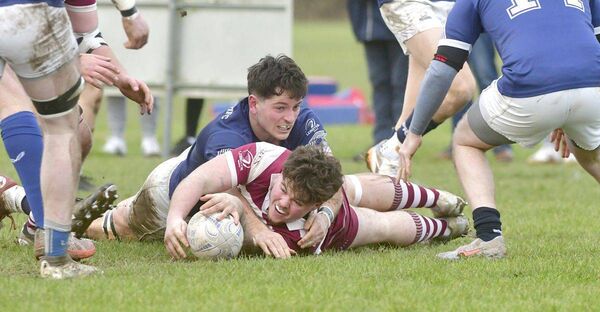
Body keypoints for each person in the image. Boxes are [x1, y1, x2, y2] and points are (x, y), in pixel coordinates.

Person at [76, 55, 351, 256]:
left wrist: (326, 213)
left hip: (209, 178)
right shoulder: (228, 136)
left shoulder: (303, 121)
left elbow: (331, 174)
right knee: (118, 229)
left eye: (295, 107)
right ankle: (71, 223)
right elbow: (229, 192)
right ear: (254, 103)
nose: (289, 118)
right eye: (280, 108)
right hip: (172, 190)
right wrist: (260, 232)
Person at [396, 0, 600, 259]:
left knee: (466, 141)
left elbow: (442, 69)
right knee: (590, 155)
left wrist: (413, 133)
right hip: (594, 82)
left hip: (531, 86)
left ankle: (488, 237)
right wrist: (566, 110)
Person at [0, 0, 152, 279]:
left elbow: (88, 38)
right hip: (31, 17)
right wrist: (130, 13)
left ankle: (36, 217)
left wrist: (120, 77)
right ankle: (54, 250)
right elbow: (83, 31)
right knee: (60, 128)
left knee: (77, 134)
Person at [164, 142, 468, 259]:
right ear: (283, 171)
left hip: (336, 225)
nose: (284, 203)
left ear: (313, 206)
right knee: (372, 209)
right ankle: (449, 227)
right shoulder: (262, 156)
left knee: (377, 219)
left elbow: (248, 236)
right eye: (284, 189)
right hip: (321, 198)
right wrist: (176, 219)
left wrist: (239, 207)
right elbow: (199, 178)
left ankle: (439, 199)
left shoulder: (300, 234)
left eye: (297, 202)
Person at [365, 0, 477, 176]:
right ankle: (391, 149)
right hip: (409, 3)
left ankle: (389, 165)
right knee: (461, 89)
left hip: (448, 4)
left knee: (406, 117)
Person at [438, 33, 513, 163]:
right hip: (453, 26)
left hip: (478, 26)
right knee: (460, 84)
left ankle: (500, 145)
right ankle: (457, 142)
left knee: (486, 77)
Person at [347, 0, 409, 144]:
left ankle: (399, 139)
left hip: (400, 26)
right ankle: (380, 140)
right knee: (379, 84)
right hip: (370, 29)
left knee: (401, 84)